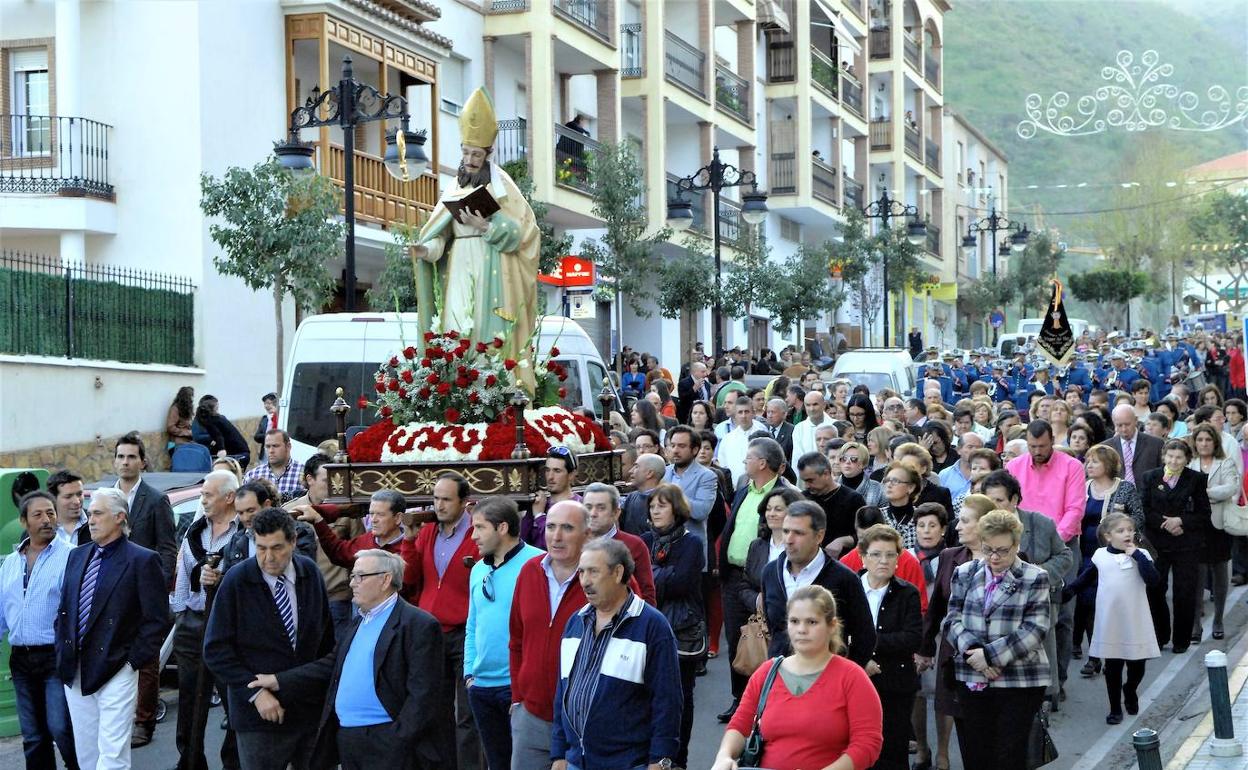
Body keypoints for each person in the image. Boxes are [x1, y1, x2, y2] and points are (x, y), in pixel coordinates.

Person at [255, 549, 449, 769]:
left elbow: (424, 694)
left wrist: (399, 739)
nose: (352, 583)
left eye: (360, 576)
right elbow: (332, 665)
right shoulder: (358, 622)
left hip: (386, 740)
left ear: (385, 579)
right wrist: (279, 680)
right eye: (352, 576)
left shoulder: (418, 624)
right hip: (349, 738)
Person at [411, 88, 540, 381]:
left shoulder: (503, 186)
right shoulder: (453, 187)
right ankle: (458, 382)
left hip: (489, 264)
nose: (469, 160)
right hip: (458, 264)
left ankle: (488, 383)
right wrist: (426, 249)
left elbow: (525, 232)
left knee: (484, 325)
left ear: (488, 154)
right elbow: (442, 235)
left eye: (476, 155)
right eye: (466, 152)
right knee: (456, 323)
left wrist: (485, 227)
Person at [203, 508, 335, 770]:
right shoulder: (237, 580)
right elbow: (216, 650)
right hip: (258, 719)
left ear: (293, 542)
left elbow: (327, 646)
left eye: (276, 548)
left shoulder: (310, 574)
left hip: (309, 712)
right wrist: (255, 693)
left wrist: (297, 683)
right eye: (261, 548)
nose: (268, 557)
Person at [56, 487, 170, 770]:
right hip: (76, 667)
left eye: (97, 513)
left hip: (117, 667)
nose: (90, 519)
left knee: (113, 754)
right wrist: (62, 647)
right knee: (86, 753)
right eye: (89, 513)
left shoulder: (142, 559)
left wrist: (131, 663)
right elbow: (65, 609)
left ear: (119, 517)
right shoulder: (77, 556)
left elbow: (156, 620)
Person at [711, 585, 884, 770]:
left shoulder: (852, 677)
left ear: (832, 626)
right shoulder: (767, 672)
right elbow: (739, 725)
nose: (801, 629)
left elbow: (867, 743)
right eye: (794, 621)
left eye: (812, 622)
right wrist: (724, 756)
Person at [551, 538, 682, 770]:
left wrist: (660, 760)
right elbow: (564, 691)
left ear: (618, 572)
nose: (585, 582)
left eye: (593, 572)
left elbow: (667, 702)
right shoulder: (575, 622)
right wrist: (559, 753)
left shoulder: (653, 627)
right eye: (581, 573)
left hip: (629, 763)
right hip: (575, 762)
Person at [941, 510, 1053, 769]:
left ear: (1016, 544)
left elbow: (1035, 629)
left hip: (1021, 679)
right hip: (972, 675)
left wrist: (990, 655)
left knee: (1010, 754)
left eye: (1002, 550)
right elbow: (951, 619)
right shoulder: (965, 572)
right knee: (977, 752)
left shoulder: (1035, 577)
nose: (994, 557)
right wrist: (975, 653)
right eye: (988, 549)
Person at [397, 473, 481, 769]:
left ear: (464, 502)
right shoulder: (427, 532)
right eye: (436, 498)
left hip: (464, 632)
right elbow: (409, 578)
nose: (440, 505)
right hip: (431, 631)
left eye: (447, 499)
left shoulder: (476, 534)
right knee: (435, 709)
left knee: (467, 714)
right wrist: (408, 539)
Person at [507, 502, 595, 770]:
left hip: (584, 721)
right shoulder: (529, 571)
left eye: (567, 528)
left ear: (587, 535)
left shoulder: (603, 577)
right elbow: (517, 639)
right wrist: (518, 697)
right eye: (551, 527)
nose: (556, 537)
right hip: (531, 716)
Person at [717, 437, 796, 721]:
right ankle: (740, 700)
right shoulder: (742, 488)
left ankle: (770, 701)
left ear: (762, 462)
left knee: (773, 642)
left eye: (749, 457)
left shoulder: (786, 494)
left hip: (769, 581)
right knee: (738, 639)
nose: (744, 462)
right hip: (735, 578)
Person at [461, 498, 544, 770]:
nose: (473, 536)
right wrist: (469, 673)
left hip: (518, 688)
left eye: (479, 528)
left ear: (502, 527)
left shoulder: (537, 563)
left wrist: (526, 684)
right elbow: (473, 624)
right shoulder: (477, 569)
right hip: (481, 687)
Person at [979, 470, 1073, 708]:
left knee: (1039, 645)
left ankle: (1045, 696)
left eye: (999, 500)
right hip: (995, 605)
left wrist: (1037, 576)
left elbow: (1064, 555)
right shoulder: (981, 528)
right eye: (989, 501)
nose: (994, 507)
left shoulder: (1040, 523)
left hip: (1037, 600)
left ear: (1014, 500)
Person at [1007, 419, 1087, 692]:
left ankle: (1059, 678)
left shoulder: (1072, 467)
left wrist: (1051, 540)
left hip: (1060, 547)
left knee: (1062, 614)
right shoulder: (1014, 467)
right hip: (1021, 548)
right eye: (1032, 446)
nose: (1037, 451)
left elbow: (1075, 510)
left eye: (1042, 446)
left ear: (1052, 441)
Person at [170, 470, 242, 770]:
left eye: (207, 495)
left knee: (234, 700)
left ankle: (234, 763)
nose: (203, 500)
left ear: (228, 497)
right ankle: (189, 762)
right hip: (193, 623)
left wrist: (222, 578)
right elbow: (184, 579)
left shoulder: (243, 534)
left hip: (228, 629)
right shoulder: (195, 532)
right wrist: (181, 616)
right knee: (190, 700)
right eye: (202, 495)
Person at [1, 491, 78, 770]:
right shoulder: (10, 563)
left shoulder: (71, 556)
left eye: (51, 513)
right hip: (21, 659)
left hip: (55, 657)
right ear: (24, 521)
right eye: (38, 515)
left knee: (61, 728)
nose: (47, 520)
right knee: (33, 736)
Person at [918, 493, 994, 770]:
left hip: (994, 659)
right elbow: (937, 607)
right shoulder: (951, 556)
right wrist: (926, 650)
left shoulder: (1012, 556)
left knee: (992, 730)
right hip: (955, 655)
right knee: (961, 719)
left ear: (983, 524)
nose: (957, 527)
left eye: (964, 521)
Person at [1061, 513, 1161, 724]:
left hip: (1135, 619)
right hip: (1110, 619)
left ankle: (1130, 688)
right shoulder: (1100, 556)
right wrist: (1069, 591)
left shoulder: (1141, 554)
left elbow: (1153, 580)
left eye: (1130, 530)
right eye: (1120, 531)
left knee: (1137, 665)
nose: (1127, 534)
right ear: (1108, 536)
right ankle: (1115, 707)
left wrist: (1137, 556)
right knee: (1113, 666)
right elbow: (1086, 578)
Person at [761, 501, 876, 663]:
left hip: (827, 678)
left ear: (819, 536)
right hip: (781, 675)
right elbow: (774, 627)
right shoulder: (770, 572)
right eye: (786, 531)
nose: (789, 539)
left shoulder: (844, 578)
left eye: (798, 533)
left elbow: (865, 636)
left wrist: (843, 675)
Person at [642, 485, 706, 768]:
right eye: (652, 506)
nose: (655, 510)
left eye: (662, 505)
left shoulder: (691, 543)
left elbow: (683, 583)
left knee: (681, 695)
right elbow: (638, 583)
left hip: (683, 627)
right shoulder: (644, 541)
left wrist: (655, 577)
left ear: (676, 509)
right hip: (651, 627)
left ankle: (679, 757)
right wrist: (664, 576)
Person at [854, 523, 922, 770]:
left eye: (890, 554)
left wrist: (866, 645)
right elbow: (837, 635)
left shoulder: (908, 593)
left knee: (892, 751)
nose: (883, 560)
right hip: (854, 680)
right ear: (863, 558)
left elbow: (912, 638)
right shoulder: (849, 589)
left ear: (897, 559)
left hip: (895, 682)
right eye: (876, 554)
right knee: (857, 749)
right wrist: (861, 659)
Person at [1075, 445, 1145, 675]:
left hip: (1112, 558)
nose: (1089, 466)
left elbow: (1138, 518)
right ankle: (1094, 656)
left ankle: (1114, 651)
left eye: (1095, 461)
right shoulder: (1082, 487)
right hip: (1085, 555)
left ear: (1108, 464)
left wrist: (1121, 533)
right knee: (1088, 603)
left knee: (1108, 605)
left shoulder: (1124, 488)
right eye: (1087, 461)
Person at [1141, 438, 1212, 653]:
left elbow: (1203, 514)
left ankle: (1181, 640)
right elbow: (1145, 509)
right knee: (1155, 589)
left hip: (1186, 544)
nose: (1173, 460)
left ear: (1187, 459)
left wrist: (1180, 521)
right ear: (1164, 456)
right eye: (1170, 456)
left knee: (1184, 592)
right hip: (1158, 543)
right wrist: (1166, 524)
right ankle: (1159, 635)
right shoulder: (1151, 477)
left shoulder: (1196, 479)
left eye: (1179, 457)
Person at [285, 453, 364, 642]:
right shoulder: (289, 512)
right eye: (325, 479)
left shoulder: (347, 512)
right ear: (309, 479)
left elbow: (360, 552)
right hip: (301, 598)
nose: (332, 484)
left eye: (335, 479)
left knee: (338, 651)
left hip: (336, 597)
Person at [1190, 422, 1240, 641]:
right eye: (1200, 439)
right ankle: (1195, 624)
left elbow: (1230, 488)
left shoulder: (1225, 462)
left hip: (1219, 527)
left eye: (1208, 440)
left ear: (1215, 442)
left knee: (1220, 574)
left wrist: (1202, 493)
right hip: (1195, 526)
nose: (1204, 443)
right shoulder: (1189, 463)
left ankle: (1218, 619)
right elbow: (1183, 491)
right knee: (1196, 576)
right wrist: (1208, 495)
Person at [295, 489, 409, 575]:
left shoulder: (411, 546)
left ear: (398, 518)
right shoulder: (366, 540)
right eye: (371, 513)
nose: (373, 519)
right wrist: (318, 520)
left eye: (380, 514)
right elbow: (338, 552)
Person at [584, 482, 658, 605]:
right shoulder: (575, 543)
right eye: (588, 507)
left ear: (616, 513)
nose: (593, 513)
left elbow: (647, 594)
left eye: (601, 508)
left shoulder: (634, 545)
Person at [798, 452, 865, 558]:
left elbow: (867, 535)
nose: (806, 486)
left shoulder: (853, 499)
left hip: (843, 563)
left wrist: (843, 541)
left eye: (810, 480)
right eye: (804, 481)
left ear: (826, 474)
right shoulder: (802, 499)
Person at [662, 425, 719, 546]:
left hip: (690, 546)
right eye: (673, 445)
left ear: (695, 450)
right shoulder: (664, 472)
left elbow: (700, 511)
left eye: (681, 446)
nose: (675, 450)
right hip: (662, 545)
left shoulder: (707, 476)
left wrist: (672, 496)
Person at [522, 446, 580, 548]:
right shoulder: (539, 503)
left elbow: (557, 544)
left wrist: (539, 516)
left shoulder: (578, 506)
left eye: (557, 471)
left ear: (571, 475)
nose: (550, 477)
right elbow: (522, 541)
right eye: (547, 470)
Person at [1102, 404, 1165, 485]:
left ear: (1136, 420)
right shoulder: (1106, 447)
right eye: (1119, 425)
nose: (1124, 429)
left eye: (1127, 424)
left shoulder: (1156, 444)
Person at [244, 429, 306, 503]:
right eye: (267, 446)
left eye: (275, 446)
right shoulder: (253, 475)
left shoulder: (303, 472)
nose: (271, 451)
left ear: (288, 446)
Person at [621, 453, 665, 536]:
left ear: (649, 473)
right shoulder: (631, 497)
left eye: (636, 466)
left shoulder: (663, 500)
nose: (631, 471)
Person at [47, 470, 87, 547]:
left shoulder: (97, 523)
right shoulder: (40, 528)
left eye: (79, 494)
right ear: (53, 498)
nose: (77, 501)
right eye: (68, 496)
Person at [792, 390, 831, 468]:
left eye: (815, 404)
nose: (811, 409)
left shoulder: (834, 425)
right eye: (808, 405)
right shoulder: (799, 428)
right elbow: (797, 458)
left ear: (824, 405)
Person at [168, 385, 195, 453]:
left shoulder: (187, 409)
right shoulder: (175, 408)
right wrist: (186, 433)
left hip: (187, 442)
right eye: (190, 397)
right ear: (185, 398)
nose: (192, 399)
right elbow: (170, 427)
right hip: (174, 444)